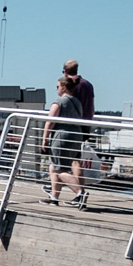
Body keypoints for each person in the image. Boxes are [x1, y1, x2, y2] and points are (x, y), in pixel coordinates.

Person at [43, 75, 89, 209]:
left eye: (57, 86)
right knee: (54, 166)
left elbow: (50, 121)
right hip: (76, 136)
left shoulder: (60, 101)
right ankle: (54, 197)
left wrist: (44, 139)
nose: (56, 89)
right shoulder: (77, 102)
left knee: (59, 170)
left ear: (63, 87)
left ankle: (80, 193)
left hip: (61, 137)